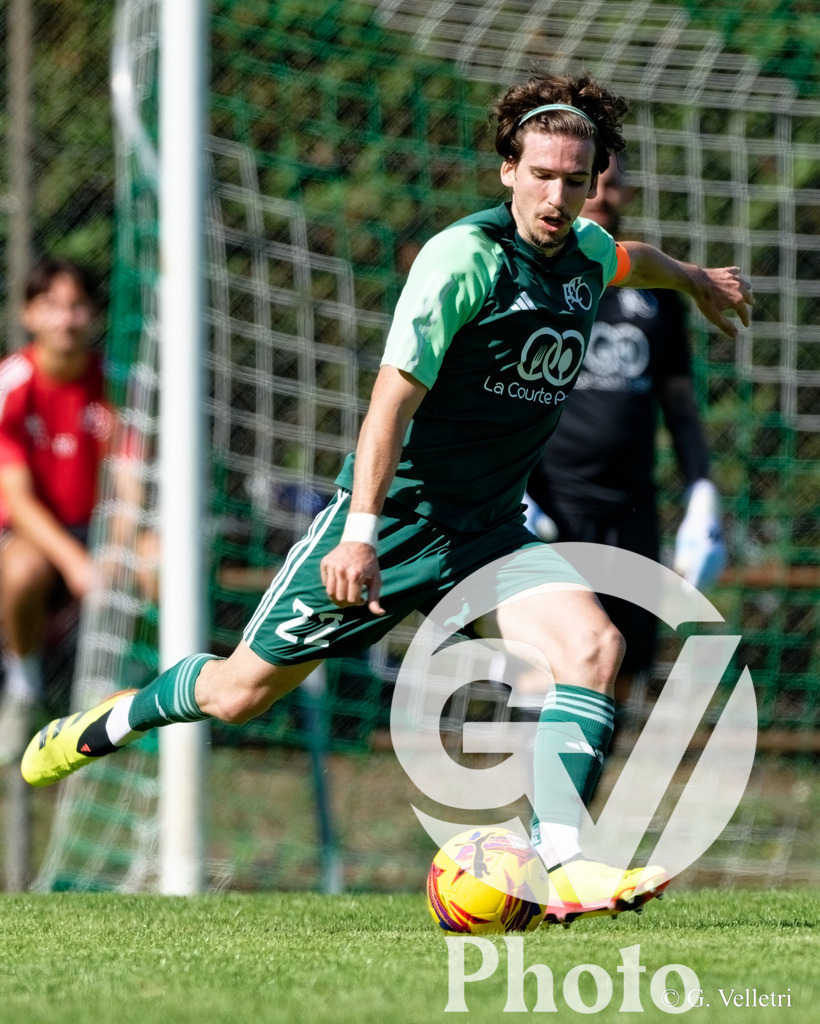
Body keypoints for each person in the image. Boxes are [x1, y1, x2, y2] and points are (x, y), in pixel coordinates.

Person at [21, 74, 752, 922]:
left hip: (489, 533)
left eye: (575, 179)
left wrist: (694, 279)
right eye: (543, 176)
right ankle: (113, 720)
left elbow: (636, 260)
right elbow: (388, 405)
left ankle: (561, 860)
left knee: (592, 648)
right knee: (238, 693)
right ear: (507, 171)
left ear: (593, 182)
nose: (558, 196)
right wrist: (358, 533)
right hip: (395, 529)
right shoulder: (465, 260)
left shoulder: (585, 253)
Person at [525, 156, 727, 707]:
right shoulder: (536, 280)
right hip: (551, 508)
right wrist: (510, 490)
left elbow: (680, 406)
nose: (602, 194)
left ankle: (578, 794)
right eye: (592, 183)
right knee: (549, 662)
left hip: (631, 510)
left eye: (613, 184)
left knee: (624, 665)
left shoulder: (658, 293)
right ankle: (540, 791)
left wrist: (702, 495)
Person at [0, 257, 113, 764]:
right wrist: (74, 561)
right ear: (28, 314)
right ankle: (22, 685)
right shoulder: (11, 384)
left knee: (162, 562)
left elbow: (131, 484)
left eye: (76, 306)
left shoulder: (116, 380)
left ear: (91, 313)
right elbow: (18, 501)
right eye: (51, 306)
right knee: (22, 568)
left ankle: (138, 696)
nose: (65, 319)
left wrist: (119, 548)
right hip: (33, 535)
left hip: (100, 530)